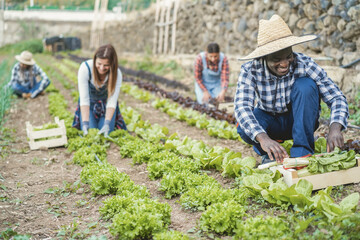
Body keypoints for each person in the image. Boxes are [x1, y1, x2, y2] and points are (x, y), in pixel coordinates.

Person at [234, 14, 349, 164]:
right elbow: (242, 107)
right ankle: (269, 152)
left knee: (306, 85)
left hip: (297, 120)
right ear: (264, 57)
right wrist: (263, 138)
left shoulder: (304, 63)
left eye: (288, 56)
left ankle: (302, 152)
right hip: (270, 123)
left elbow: (336, 97)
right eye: (276, 59)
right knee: (243, 127)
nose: (284, 64)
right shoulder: (250, 70)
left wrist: (335, 129)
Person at [72, 44, 127, 137]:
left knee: (104, 135)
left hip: (106, 107)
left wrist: (107, 124)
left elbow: (112, 101)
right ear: (94, 60)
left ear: (112, 64)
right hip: (89, 105)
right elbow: (84, 99)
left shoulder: (117, 74)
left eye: (106, 65)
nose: (102, 68)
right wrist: (85, 123)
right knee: (91, 134)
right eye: (99, 64)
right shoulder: (85, 68)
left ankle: (105, 124)